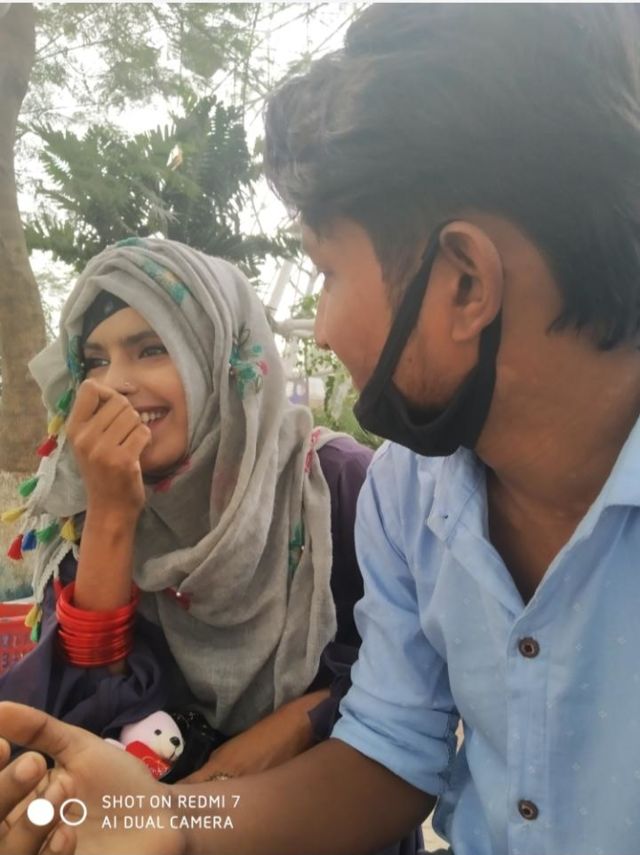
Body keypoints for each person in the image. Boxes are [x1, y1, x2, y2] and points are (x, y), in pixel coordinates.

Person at [3, 2, 640, 854]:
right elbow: (390, 751)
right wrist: (175, 821)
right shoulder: (411, 496)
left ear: (464, 282)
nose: (324, 330)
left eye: (328, 272)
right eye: (95, 360)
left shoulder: (341, 485)